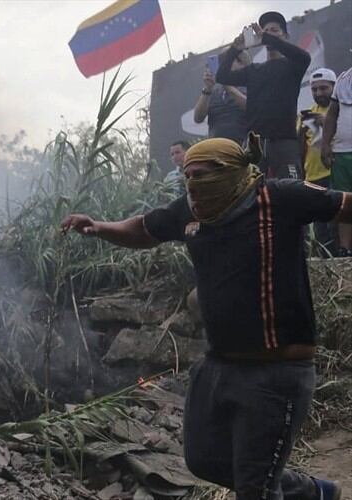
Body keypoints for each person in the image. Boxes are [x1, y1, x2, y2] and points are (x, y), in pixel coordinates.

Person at [61, 136, 350, 500]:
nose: (193, 184)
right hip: (218, 366)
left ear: (232, 172)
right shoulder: (190, 211)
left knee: (255, 488)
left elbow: (343, 205)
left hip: (277, 373)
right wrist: (100, 227)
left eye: (202, 174)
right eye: (187, 176)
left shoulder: (280, 198)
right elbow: (146, 229)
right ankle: (310, 493)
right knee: (204, 461)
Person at [217, 11, 311, 179]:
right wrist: (234, 49)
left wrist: (267, 38)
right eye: (265, 30)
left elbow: (304, 57)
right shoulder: (254, 70)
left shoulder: (292, 65)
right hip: (256, 144)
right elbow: (222, 77)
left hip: (284, 141)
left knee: (291, 191)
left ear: (285, 35)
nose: (267, 32)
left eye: (274, 30)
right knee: (251, 193)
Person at [298, 68, 338, 256]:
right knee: (321, 229)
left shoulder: (343, 111)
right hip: (313, 177)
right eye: (314, 89)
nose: (319, 93)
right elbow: (301, 147)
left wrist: (327, 121)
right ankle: (328, 264)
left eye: (324, 88)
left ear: (334, 87)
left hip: (336, 174)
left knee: (338, 223)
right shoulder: (307, 115)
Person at [321, 66, 352, 257]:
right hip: (342, 153)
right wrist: (325, 144)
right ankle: (345, 249)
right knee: (346, 202)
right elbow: (332, 114)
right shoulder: (343, 78)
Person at [194, 49, 248, 144]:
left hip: (244, 147)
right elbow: (198, 118)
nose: (223, 65)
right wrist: (207, 89)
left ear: (242, 64)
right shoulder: (214, 93)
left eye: (227, 60)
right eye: (221, 61)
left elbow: (251, 107)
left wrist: (226, 83)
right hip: (218, 150)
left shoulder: (251, 86)